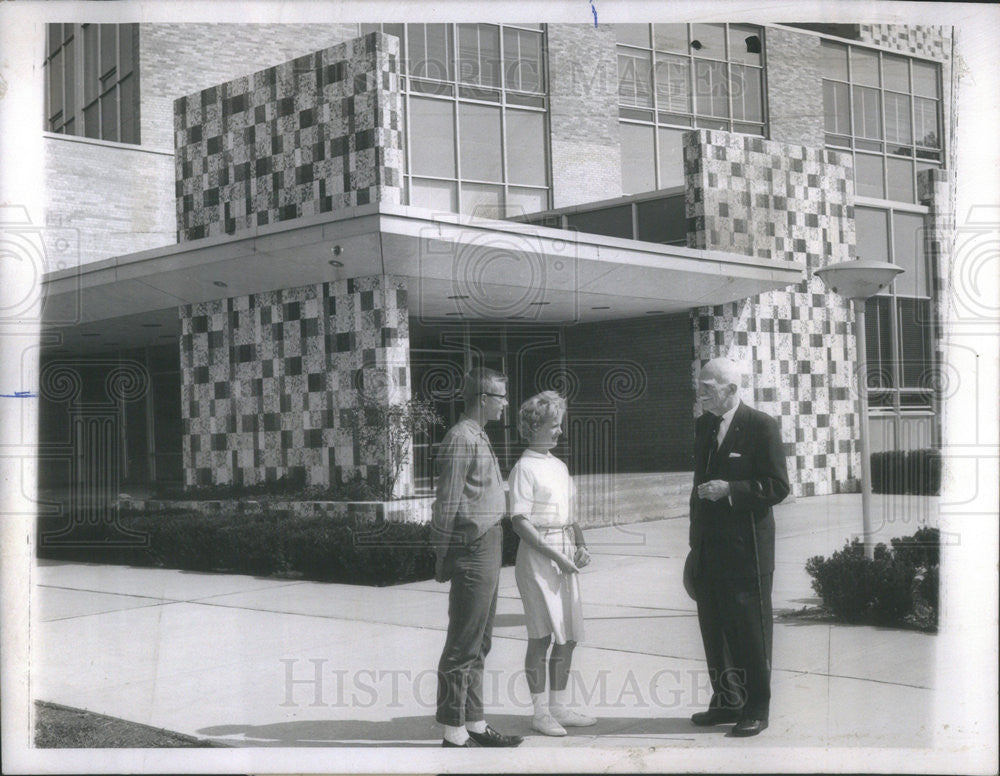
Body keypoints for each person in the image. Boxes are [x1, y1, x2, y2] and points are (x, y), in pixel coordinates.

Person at [687, 357, 789, 737]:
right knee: (713, 629)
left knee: (749, 632)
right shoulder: (703, 427)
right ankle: (726, 700)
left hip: (747, 552)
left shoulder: (760, 426)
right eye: (700, 385)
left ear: (731, 389)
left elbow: (777, 486)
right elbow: (698, 491)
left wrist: (731, 490)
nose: (701, 393)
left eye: (709, 387)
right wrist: (694, 547)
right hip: (709, 550)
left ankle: (756, 707)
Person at [429, 367, 523, 748]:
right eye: (501, 396)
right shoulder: (460, 439)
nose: (506, 403)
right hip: (472, 547)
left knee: (481, 642)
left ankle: (476, 723)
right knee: (463, 643)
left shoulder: (478, 435)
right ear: (483, 398)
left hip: (490, 541)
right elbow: (447, 503)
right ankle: (454, 731)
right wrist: (442, 554)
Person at [509, 391, 596, 737]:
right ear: (534, 427)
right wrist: (556, 554)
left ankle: (559, 705)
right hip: (537, 557)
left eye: (560, 424)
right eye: (554, 425)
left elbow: (571, 516)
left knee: (568, 636)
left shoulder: (559, 465)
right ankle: (540, 712)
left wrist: (581, 546)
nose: (560, 431)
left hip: (564, 553)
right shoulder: (524, 468)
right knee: (541, 636)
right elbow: (519, 521)